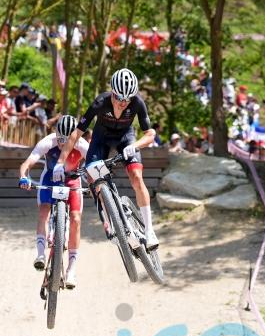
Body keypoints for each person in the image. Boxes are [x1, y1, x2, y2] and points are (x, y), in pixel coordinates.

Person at [52, 67, 160, 249]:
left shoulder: (137, 102)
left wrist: (135, 146)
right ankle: (112, 220)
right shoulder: (100, 102)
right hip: (100, 140)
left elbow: (150, 134)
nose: (123, 103)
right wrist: (60, 162)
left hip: (126, 139)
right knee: (95, 179)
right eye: (118, 97)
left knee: (136, 177)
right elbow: (76, 134)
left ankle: (149, 231)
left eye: (127, 99)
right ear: (112, 92)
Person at [18, 115, 89, 288]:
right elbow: (27, 163)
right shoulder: (47, 142)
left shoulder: (82, 145)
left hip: (72, 180)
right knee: (44, 211)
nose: (63, 144)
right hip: (50, 179)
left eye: (68, 140)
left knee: (76, 219)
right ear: (56, 133)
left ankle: (71, 270)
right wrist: (23, 177)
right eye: (60, 139)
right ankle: (40, 255)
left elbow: (92, 166)